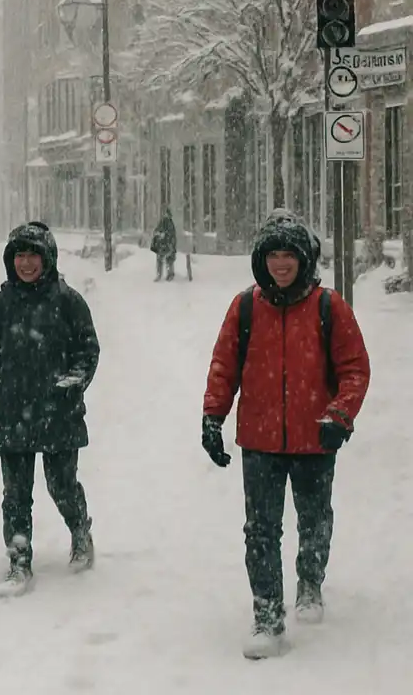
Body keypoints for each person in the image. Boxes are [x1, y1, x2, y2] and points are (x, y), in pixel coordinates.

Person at [201, 209, 370, 660]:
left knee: (313, 520)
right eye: (272, 254)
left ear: (303, 259)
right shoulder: (245, 307)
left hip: (316, 438)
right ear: (261, 259)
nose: (280, 263)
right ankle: (267, 616)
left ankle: (310, 582)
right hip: (259, 441)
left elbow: (355, 369)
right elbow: (224, 367)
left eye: (288, 255)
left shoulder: (328, 307)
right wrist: (213, 416)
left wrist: (339, 415)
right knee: (260, 530)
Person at [0, 221, 100, 597]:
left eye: (33, 256)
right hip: (14, 413)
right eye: (19, 256)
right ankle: (19, 561)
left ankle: (80, 530)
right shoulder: (2, 304)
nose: (25, 264)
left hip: (59, 412)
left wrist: (75, 380)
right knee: (16, 495)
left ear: (47, 258)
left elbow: (88, 350)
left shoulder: (68, 301)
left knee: (61, 486)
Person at [150, 207, 177, 281]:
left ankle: (168, 275)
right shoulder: (164, 221)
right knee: (164, 259)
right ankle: (165, 275)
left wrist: (161, 235)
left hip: (166, 244)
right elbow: (157, 231)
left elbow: (171, 234)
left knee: (167, 260)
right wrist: (159, 234)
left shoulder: (168, 222)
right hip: (164, 244)